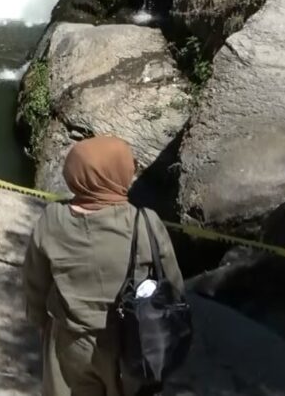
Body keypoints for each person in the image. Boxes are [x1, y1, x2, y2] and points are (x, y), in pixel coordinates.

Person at [23, 136, 184, 396]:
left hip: (70, 340)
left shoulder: (52, 221)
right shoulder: (146, 222)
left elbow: (35, 285)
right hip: (132, 339)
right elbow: (173, 283)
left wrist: (40, 323)